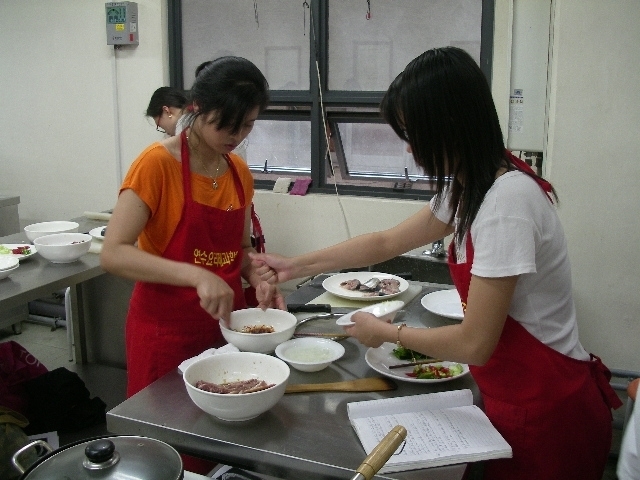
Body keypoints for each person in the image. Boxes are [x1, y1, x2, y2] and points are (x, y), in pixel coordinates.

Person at [251, 47, 622, 479]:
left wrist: (384, 332)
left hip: (546, 416)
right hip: (513, 396)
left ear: (449, 125)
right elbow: (385, 241)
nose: (409, 149)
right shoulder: (473, 184)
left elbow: (474, 344)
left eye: (413, 133)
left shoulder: (507, 202)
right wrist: (294, 266)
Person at [101, 56, 285, 400]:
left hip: (224, 331)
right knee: (170, 439)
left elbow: (241, 250)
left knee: (215, 437)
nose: (236, 136)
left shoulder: (238, 173)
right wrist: (197, 276)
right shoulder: (155, 165)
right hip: (165, 333)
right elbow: (114, 254)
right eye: (227, 125)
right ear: (197, 108)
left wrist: (258, 276)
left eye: (247, 125)